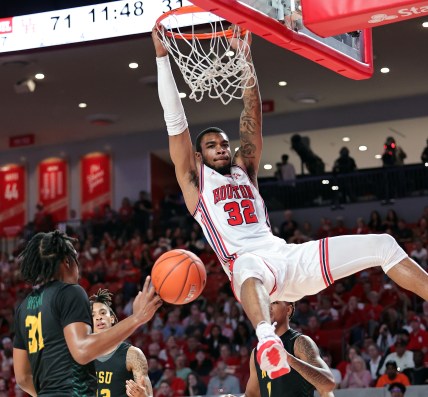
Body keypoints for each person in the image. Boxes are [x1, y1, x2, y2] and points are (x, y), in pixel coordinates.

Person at [152, 25, 428, 379]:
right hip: (251, 270)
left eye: (224, 143)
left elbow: (251, 114)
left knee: (384, 244)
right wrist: (162, 59)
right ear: (199, 155)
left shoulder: (245, 170)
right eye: (212, 145)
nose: (222, 147)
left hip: (287, 258)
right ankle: (267, 341)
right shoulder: (195, 182)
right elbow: (175, 123)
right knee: (245, 264)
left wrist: (244, 56)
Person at [13, 230, 162, 396]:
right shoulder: (70, 292)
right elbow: (82, 351)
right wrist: (137, 318)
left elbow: (22, 378)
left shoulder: (23, 307)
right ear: (67, 261)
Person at [244, 301, 335, 396]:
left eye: (274, 302)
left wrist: (288, 358)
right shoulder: (256, 352)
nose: (268, 307)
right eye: (266, 302)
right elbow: (251, 394)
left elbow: (328, 384)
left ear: (288, 310)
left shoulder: (300, 342)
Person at [90, 288, 152, 397]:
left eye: (103, 313)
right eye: (93, 315)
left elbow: (149, 395)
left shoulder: (132, 354)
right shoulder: (82, 356)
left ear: (112, 319)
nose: (99, 317)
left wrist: (143, 395)